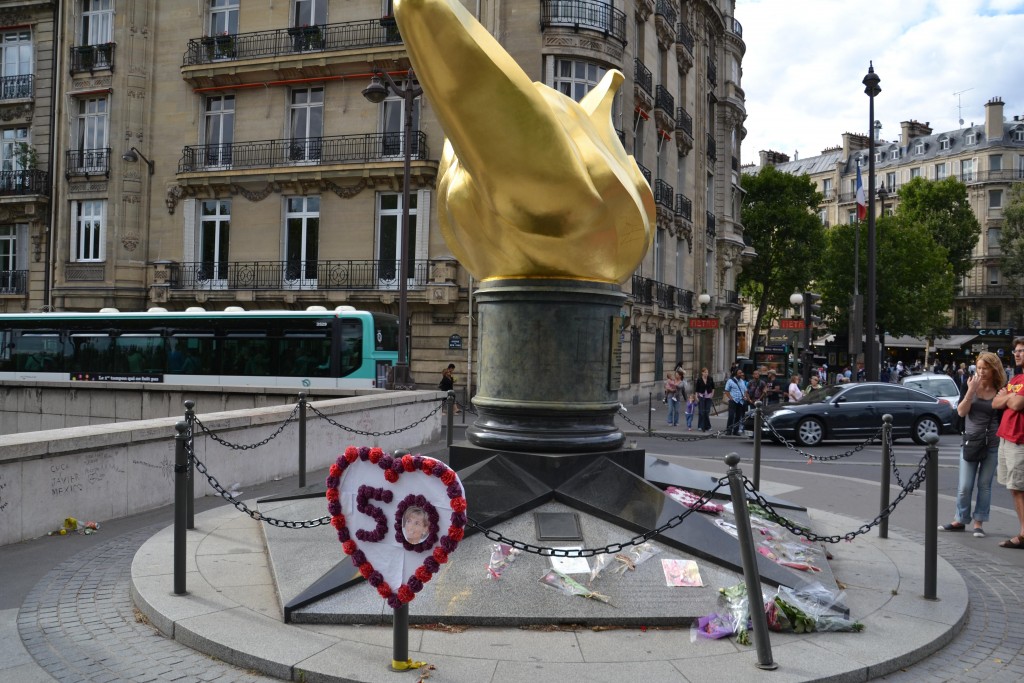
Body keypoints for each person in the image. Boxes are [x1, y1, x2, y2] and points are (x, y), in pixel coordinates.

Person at [940, 352, 1005, 538]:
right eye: (979, 368)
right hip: (970, 440)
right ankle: (960, 519)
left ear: (994, 370)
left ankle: (979, 522)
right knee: (965, 486)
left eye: (985, 368)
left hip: (992, 442)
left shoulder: (1000, 388)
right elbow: (961, 412)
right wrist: (970, 390)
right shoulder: (969, 384)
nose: (982, 372)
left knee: (984, 484)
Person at [993, 338, 1024, 550]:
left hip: (1019, 438)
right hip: (1006, 437)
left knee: (1019, 487)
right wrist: (1009, 397)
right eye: (1016, 351)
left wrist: (1008, 397)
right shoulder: (1017, 377)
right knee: (1013, 488)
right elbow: (995, 402)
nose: (1017, 354)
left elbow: (1017, 403)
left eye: (1022, 351)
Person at [724, 369, 746, 436]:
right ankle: (728, 430)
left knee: (738, 416)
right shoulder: (730, 381)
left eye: (741, 373)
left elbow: (745, 390)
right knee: (731, 415)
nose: (741, 374)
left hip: (740, 401)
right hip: (733, 401)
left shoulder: (742, 381)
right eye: (739, 373)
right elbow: (726, 391)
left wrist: (744, 396)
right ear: (736, 374)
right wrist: (731, 398)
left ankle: (735, 431)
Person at [695, 367, 715, 432]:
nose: (706, 373)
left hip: (708, 397)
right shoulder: (699, 380)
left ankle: (708, 426)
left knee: (706, 412)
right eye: (705, 372)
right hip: (701, 397)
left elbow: (713, 387)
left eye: (707, 372)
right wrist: (696, 397)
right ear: (702, 373)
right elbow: (697, 389)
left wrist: (712, 395)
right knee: (701, 412)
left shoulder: (710, 379)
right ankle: (700, 426)